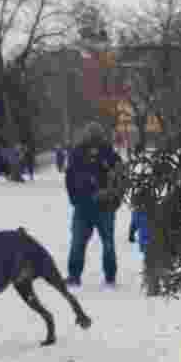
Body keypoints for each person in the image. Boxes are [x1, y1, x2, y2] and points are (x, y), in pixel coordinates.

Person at [64, 122, 122, 287]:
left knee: (106, 243)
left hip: (104, 207)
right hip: (83, 207)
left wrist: (114, 201)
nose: (93, 139)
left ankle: (109, 276)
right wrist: (74, 199)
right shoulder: (77, 153)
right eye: (91, 135)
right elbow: (69, 178)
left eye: (96, 135)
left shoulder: (110, 154)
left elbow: (120, 179)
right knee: (79, 243)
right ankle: (75, 276)